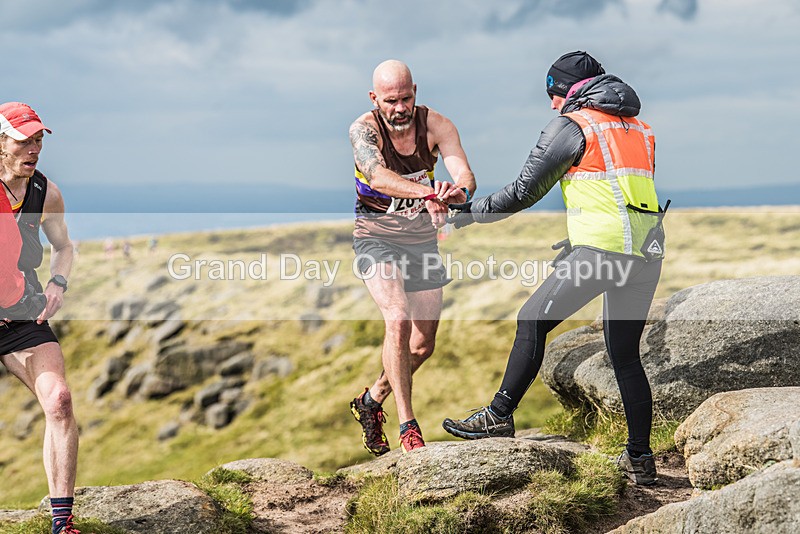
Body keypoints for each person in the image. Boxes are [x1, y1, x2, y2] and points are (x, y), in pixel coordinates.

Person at [442, 52, 666, 485]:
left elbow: (525, 190)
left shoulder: (574, 124)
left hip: (603, 254)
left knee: (531, 318)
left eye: (554, 93)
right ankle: (640, 459)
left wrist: (470, 212)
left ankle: (499, 415)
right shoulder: (639, 127)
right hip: (644, 255)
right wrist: (577, 240)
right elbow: (621, 192)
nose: (551, 104)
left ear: (571, 91)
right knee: (624, 355)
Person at [348, 60, 476, 454]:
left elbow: (465, 177)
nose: (399, 108)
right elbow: (379, 176)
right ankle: (408, 427)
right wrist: (428, 194)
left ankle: (371, 401)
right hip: (376, 238)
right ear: (375, 99)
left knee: (422, 345)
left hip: (421, 243)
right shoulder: (363, 130)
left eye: (406, 98)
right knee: (397, 318)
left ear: (415, 91)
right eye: (390, 101)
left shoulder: (437, 125)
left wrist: (457, 193)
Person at [0, 102, 80, 534]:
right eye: (22, 140)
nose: (32, 149)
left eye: (38, 140)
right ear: (1, 142)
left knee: (60, 401)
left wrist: (58, 283)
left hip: (21, 316)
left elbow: (64, 247)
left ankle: (62, 522)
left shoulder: (45, 193)